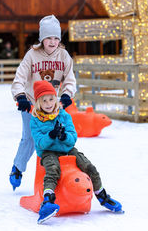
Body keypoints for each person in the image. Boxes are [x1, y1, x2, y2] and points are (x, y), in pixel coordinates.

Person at [31, 80, 123, 224]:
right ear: (38, 103)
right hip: (49, 152)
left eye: (51, 99)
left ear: (56, 99)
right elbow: (39, 142)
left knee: (89, 167)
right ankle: (47, 200)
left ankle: (103, 196)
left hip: (67, 149)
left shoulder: (64, 116)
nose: (48, 103)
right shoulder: (35, 120)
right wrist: (51, 135)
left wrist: (63, 136)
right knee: (53, 170)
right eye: (44, 101)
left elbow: (73, 137)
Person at [10, 14, 76, 190]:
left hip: (53, 105)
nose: (53, 42)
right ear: (42, 39)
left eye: (56, 38)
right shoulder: (32, 55)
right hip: (32, 105)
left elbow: (70, 79)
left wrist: (67, 94)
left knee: (58, 136)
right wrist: (21, 96)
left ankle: (59, 177)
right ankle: (18, 168)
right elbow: (19, 79)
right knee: (31, 139)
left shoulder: (64, 56)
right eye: (48, 38)